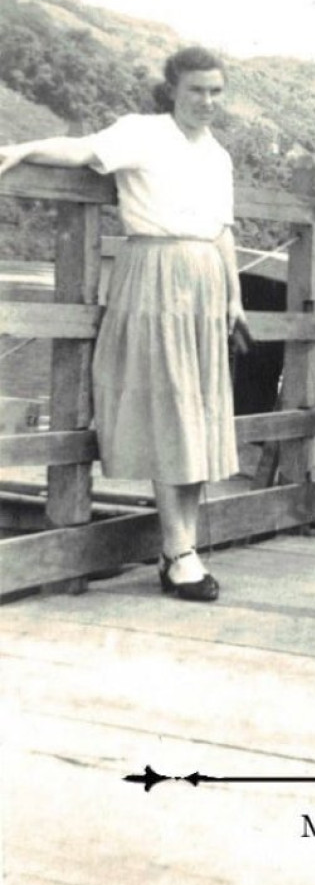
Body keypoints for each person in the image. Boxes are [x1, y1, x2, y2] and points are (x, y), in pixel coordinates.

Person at [0, 46, 248, 601]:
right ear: (173, 90)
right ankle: (181, 552)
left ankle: (179, 548)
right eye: (196, 91)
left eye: (215, 91)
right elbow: (82, 149)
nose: (206, 101)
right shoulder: (144, 132)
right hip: (156, 276)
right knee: (171, 410)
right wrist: (25, 147)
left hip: (207, 285)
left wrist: (234, 299)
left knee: (199, 413)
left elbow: (223, 232)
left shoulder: (219, 155)